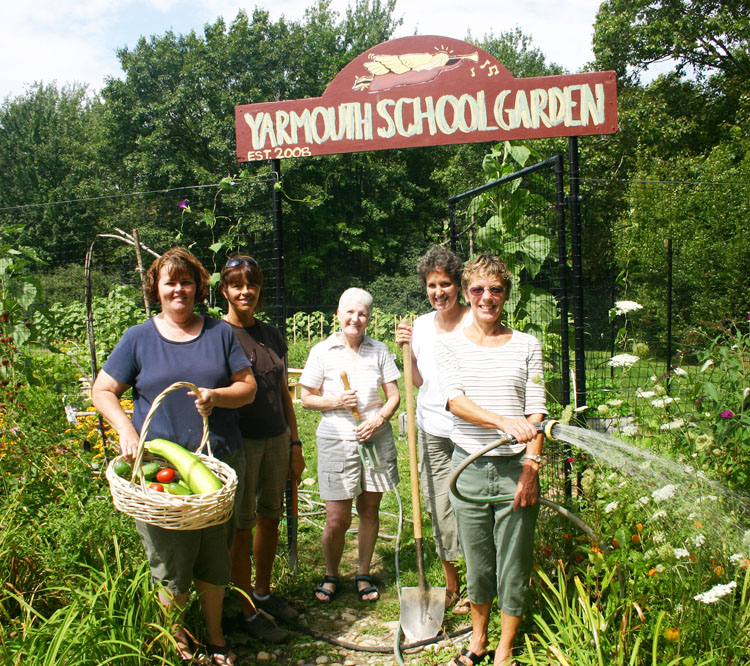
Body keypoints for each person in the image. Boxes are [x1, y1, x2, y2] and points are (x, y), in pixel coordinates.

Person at [92, 247, 256, 666]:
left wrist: (215, 396)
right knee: (169, 561)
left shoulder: (220, 333)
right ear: (156, 289)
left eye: (186, 281)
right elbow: (103, 390)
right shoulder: (138, 338)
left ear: (199, 287)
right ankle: (177, 641)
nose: (179, 289)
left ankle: (216, 635)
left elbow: (248, 387)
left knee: (215, 554)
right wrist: (127, 429)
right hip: (160, 474)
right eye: (170, 282)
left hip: (217, 466)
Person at [434, 254, 547, 666]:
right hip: (467, 468)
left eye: (495, 289)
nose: (487, 297)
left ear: (506, 295)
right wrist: (503, 421)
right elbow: (454, 400)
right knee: (479, 562)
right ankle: (478, 640)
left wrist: (531, 469)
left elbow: (537, 412)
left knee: (513, 561)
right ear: (466, 293)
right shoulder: (449, 346)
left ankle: (505, 649)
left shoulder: (528, 345)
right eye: (478, 289)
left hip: (516, 468)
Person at [219, 255, 305, 643]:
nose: (245, 292)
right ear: (224, 290)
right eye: (236, 284)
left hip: (276, 439)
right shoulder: (216, 335)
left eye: (251, 284)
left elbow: (286, 393)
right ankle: (244, 608)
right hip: (241, 443)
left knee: (271, 516)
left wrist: (295, 441)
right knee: (241, 524)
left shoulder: (272, 334)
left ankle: (263, 592)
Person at [299, 287, 400, 603]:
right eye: (350, 312)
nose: (355, 319)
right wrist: (335, 400)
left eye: (362, 314)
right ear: (338, 314)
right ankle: (331, 575)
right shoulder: (322, 351)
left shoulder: (379, 350)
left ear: (369, 318)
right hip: (337, 442)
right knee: (336, 519)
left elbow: (394, 396)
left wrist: (379, 419)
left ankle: (363, 573)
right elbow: (305, 399)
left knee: (369, 509)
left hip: (375, 438)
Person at [395, 245, 472, 614]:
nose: (438, 291)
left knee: (472, 506)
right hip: (431, 429)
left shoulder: (474, 322)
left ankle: (478, 582)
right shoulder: (421, 326)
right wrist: (405, 351)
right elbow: (418, 380)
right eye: (431, 285)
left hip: (471, 430)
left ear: (458, 285)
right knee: (440, 505)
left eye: (444, 284)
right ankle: (452, 585)